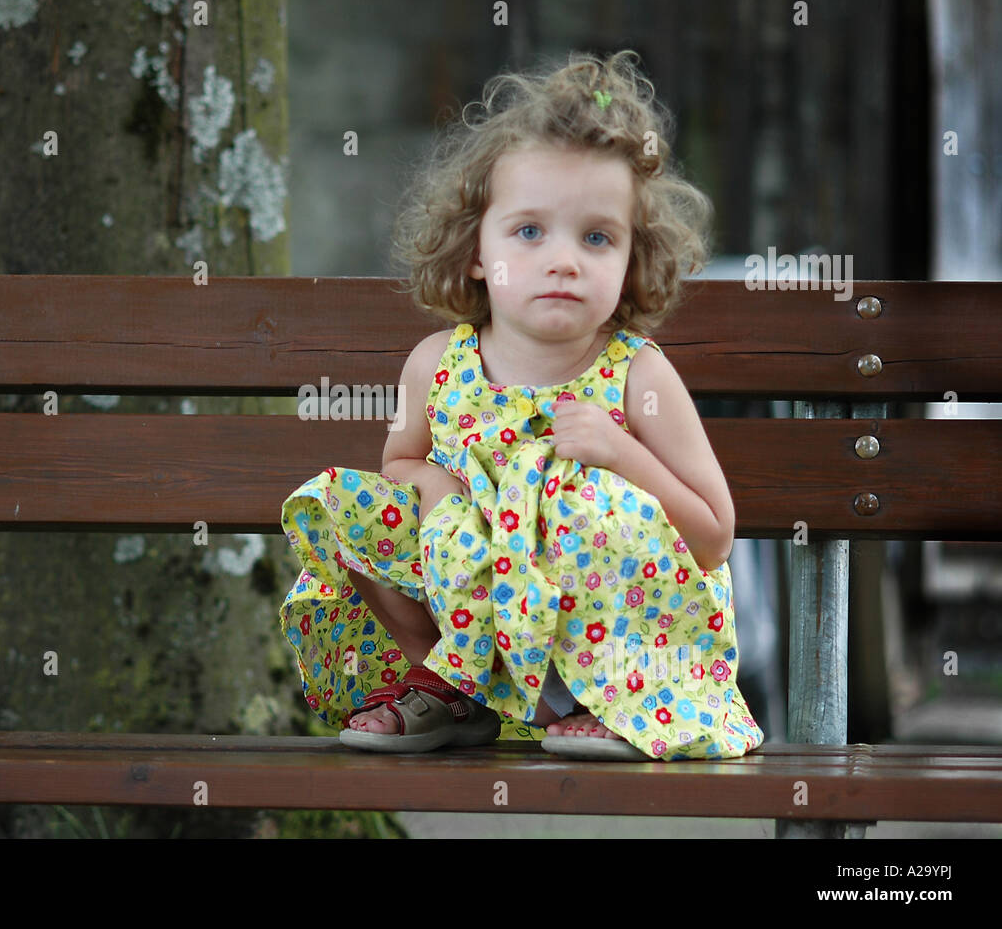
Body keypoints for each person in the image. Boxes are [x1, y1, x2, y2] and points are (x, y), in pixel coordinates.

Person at [279, 50, 764, 761]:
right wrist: (435, 485)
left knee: (589, 506)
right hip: (477, 595)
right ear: (477, 249)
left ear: (633, 260)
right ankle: (452, 682)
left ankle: (617, 700)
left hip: (617, 639)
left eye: (597, 237)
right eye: (529, 232)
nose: (563, 259)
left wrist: (620, 454)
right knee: (343, 508)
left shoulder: (638, 376)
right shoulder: (436, 364)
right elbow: (400, 463)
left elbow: (714, 536)